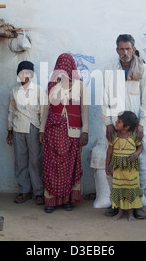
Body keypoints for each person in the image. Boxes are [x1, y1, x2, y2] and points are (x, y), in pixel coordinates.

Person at [101, 34, 146, 219]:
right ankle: (116, 203)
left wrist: (142, 124)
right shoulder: (109, 69)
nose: (125, 52)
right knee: (112, 166)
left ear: (133, 48)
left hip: (135, 125)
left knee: (140, 166)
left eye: (128, 48)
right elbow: (104, 98)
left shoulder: (142, 69)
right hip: (116, 124)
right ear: (117, 50)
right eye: (121, 49)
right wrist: (108, 123)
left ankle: (137, 204)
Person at [39, 53, 89, 213]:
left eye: (68, 66)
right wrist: (41, 130)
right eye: (62, 66)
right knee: (52, 166)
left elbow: (84, 109)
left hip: (73, 133)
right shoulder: (52, 85)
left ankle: (68, 200)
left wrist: (85, 131)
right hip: (53, 132)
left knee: (70, 166)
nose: (65, 70)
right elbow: (46, 109)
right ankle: (50, 201)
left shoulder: (80, 86)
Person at [7, 61, 46, 205]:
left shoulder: (39, 90)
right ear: (18, 75)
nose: (25, 75)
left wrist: (42, 131)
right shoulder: (14, 91)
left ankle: (38, 191)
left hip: (33, 128)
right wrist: (9, 130)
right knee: (20, 160)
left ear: (32, 74)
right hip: (18, 128)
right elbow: (11, 111)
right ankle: (25, 190)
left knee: (35, 160)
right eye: (22, 73)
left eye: (28, 72)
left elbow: (43, 112)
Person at [105, 111, 143, 221]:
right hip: (118, 169)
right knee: (118, 188)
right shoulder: (114, 136)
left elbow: (140, 147)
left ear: (126, 127)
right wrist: (106, 165)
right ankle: (120, 212)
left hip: (131, 169)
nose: (116, 122)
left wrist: (136, 154)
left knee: (130, 189)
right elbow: (109, 151)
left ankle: (131, 213)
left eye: (119, 122)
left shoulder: (134, 136)